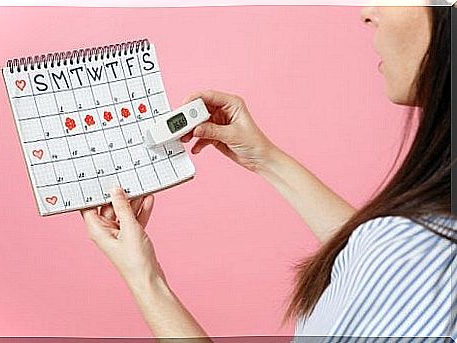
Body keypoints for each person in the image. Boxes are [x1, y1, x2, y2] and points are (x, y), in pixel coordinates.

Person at [80, 5, 456, 341]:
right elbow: (374, 256)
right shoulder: (418, 239)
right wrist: (265, 158)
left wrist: (145, 278)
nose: (367, 12)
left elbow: (400, 262)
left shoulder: (427, 256)